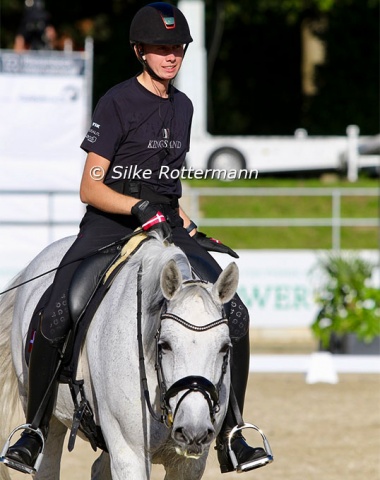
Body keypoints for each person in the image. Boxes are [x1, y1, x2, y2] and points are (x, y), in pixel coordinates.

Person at [0, 2, 270, 475]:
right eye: (162, 48)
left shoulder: (182, 107)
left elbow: (167, 185)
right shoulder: (117, 102)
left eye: (178, 48)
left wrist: (187, 225)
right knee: (61, 307)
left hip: (165, 228)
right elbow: (91, 186)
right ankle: (35, 428)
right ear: (140, 51)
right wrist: (136, 207)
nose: (172, 56)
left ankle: (232, 431)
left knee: (235, 311)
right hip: (110, 226)